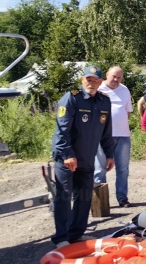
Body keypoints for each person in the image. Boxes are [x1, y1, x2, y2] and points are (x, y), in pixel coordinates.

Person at [50, 65, 115, 247]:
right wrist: (67, 155)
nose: (91, 82)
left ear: (101, 82)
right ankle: (61, 238)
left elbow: (106, 132)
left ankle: (76, 234)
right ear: (82, 80)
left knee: (84, 196)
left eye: (95, 80)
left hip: (87, 158)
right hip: (67, 158)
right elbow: (62, 131)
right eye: (88, 79)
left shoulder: (104, 101)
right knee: (64, 196)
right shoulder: (71, 99)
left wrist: (109, 154)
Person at [94, 66, 133, 207]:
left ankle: (122, 198)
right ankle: (100, 203)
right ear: (106, 75)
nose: (116, 79)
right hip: (103, 137)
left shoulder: (125, 90)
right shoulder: (98, 89)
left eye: (119, 77)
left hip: (123, 135)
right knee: (100, 169)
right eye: (113, 76)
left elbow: (127, 111)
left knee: (123, 169)